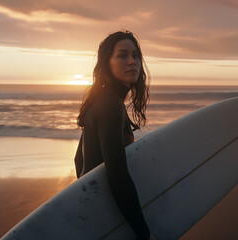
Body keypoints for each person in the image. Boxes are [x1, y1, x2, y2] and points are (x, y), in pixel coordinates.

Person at [74, 30, 151, 239]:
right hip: (99, 214)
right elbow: (117, 175)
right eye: (122, 55)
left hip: (92, 209)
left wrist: (85, 195)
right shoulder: (110, 104)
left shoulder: (102, 99)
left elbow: (78, 159)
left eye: (136, 55)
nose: (132, 62)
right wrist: (142, 232)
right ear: (107, 63)